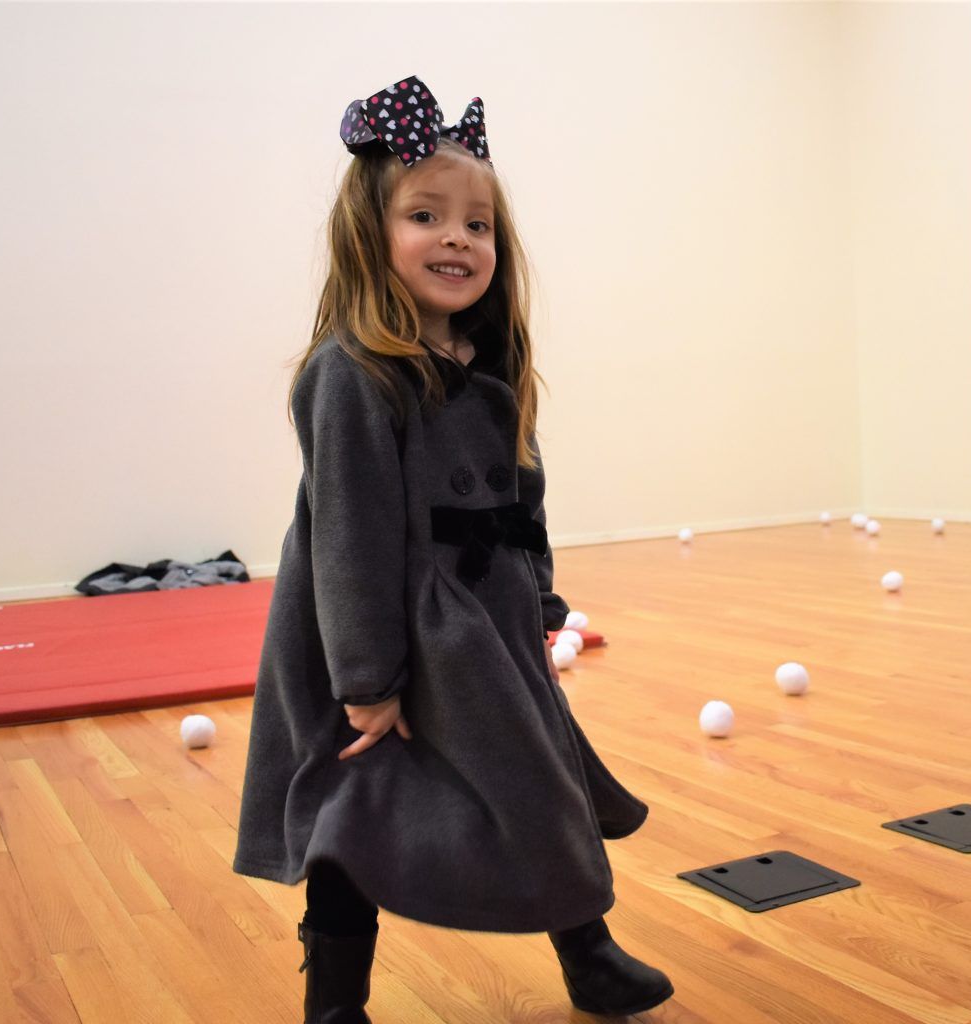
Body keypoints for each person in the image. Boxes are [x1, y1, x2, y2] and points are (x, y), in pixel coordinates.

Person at [232, 75, 675, 1023]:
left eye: (476, 225)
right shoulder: (351, 374)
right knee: (357, 815)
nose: (456, 239)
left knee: (538, 784)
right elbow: (347, 537)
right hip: (383, 635)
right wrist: (366, 678)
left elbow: (524, 503)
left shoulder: (491, 367)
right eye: (425, 215)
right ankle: (335, 1002)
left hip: (484, 630)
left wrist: (541, 606)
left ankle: (589, 956)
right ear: (369, 236)